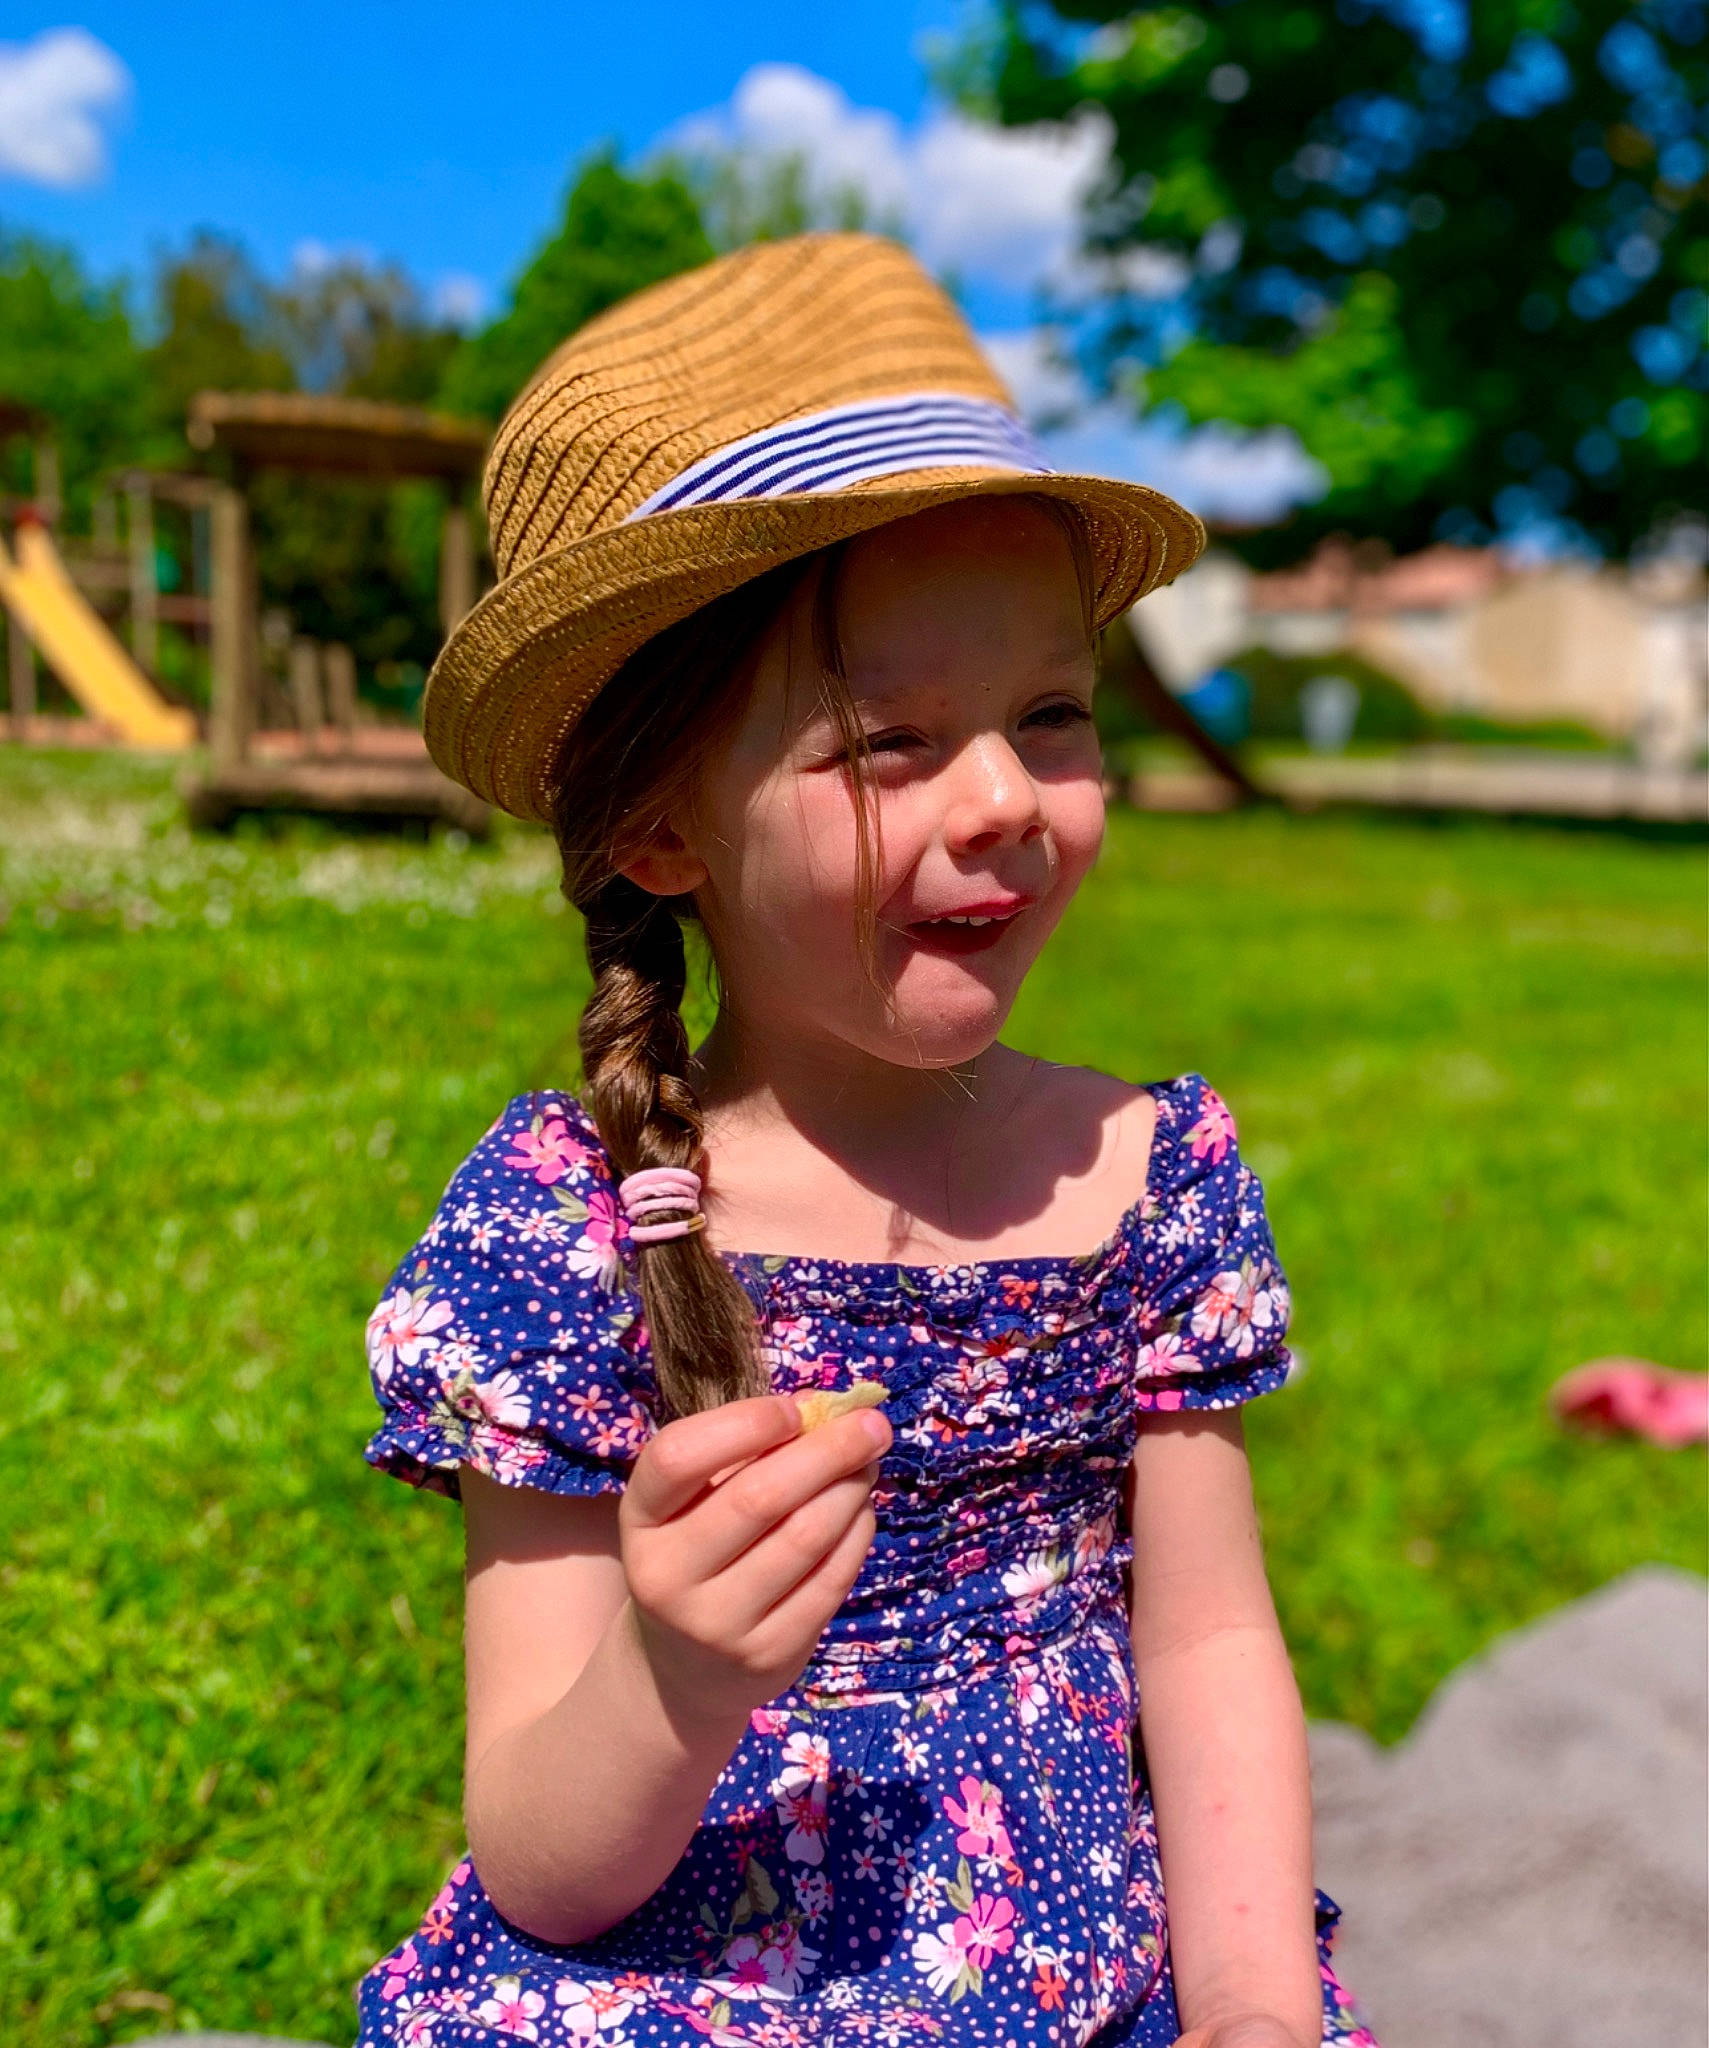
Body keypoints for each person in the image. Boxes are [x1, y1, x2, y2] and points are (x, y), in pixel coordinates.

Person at [356, 233, 1379, 2048]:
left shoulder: (1147, 1179)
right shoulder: (568, 1232)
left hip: (1083, 1975)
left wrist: (1246, 2007)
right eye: (886, 739)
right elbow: (537, 1857)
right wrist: (675, 1671)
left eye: (1049, 713)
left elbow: (1208, 1648)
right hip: (688, 1992)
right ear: (662, 831)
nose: (1005, 801)